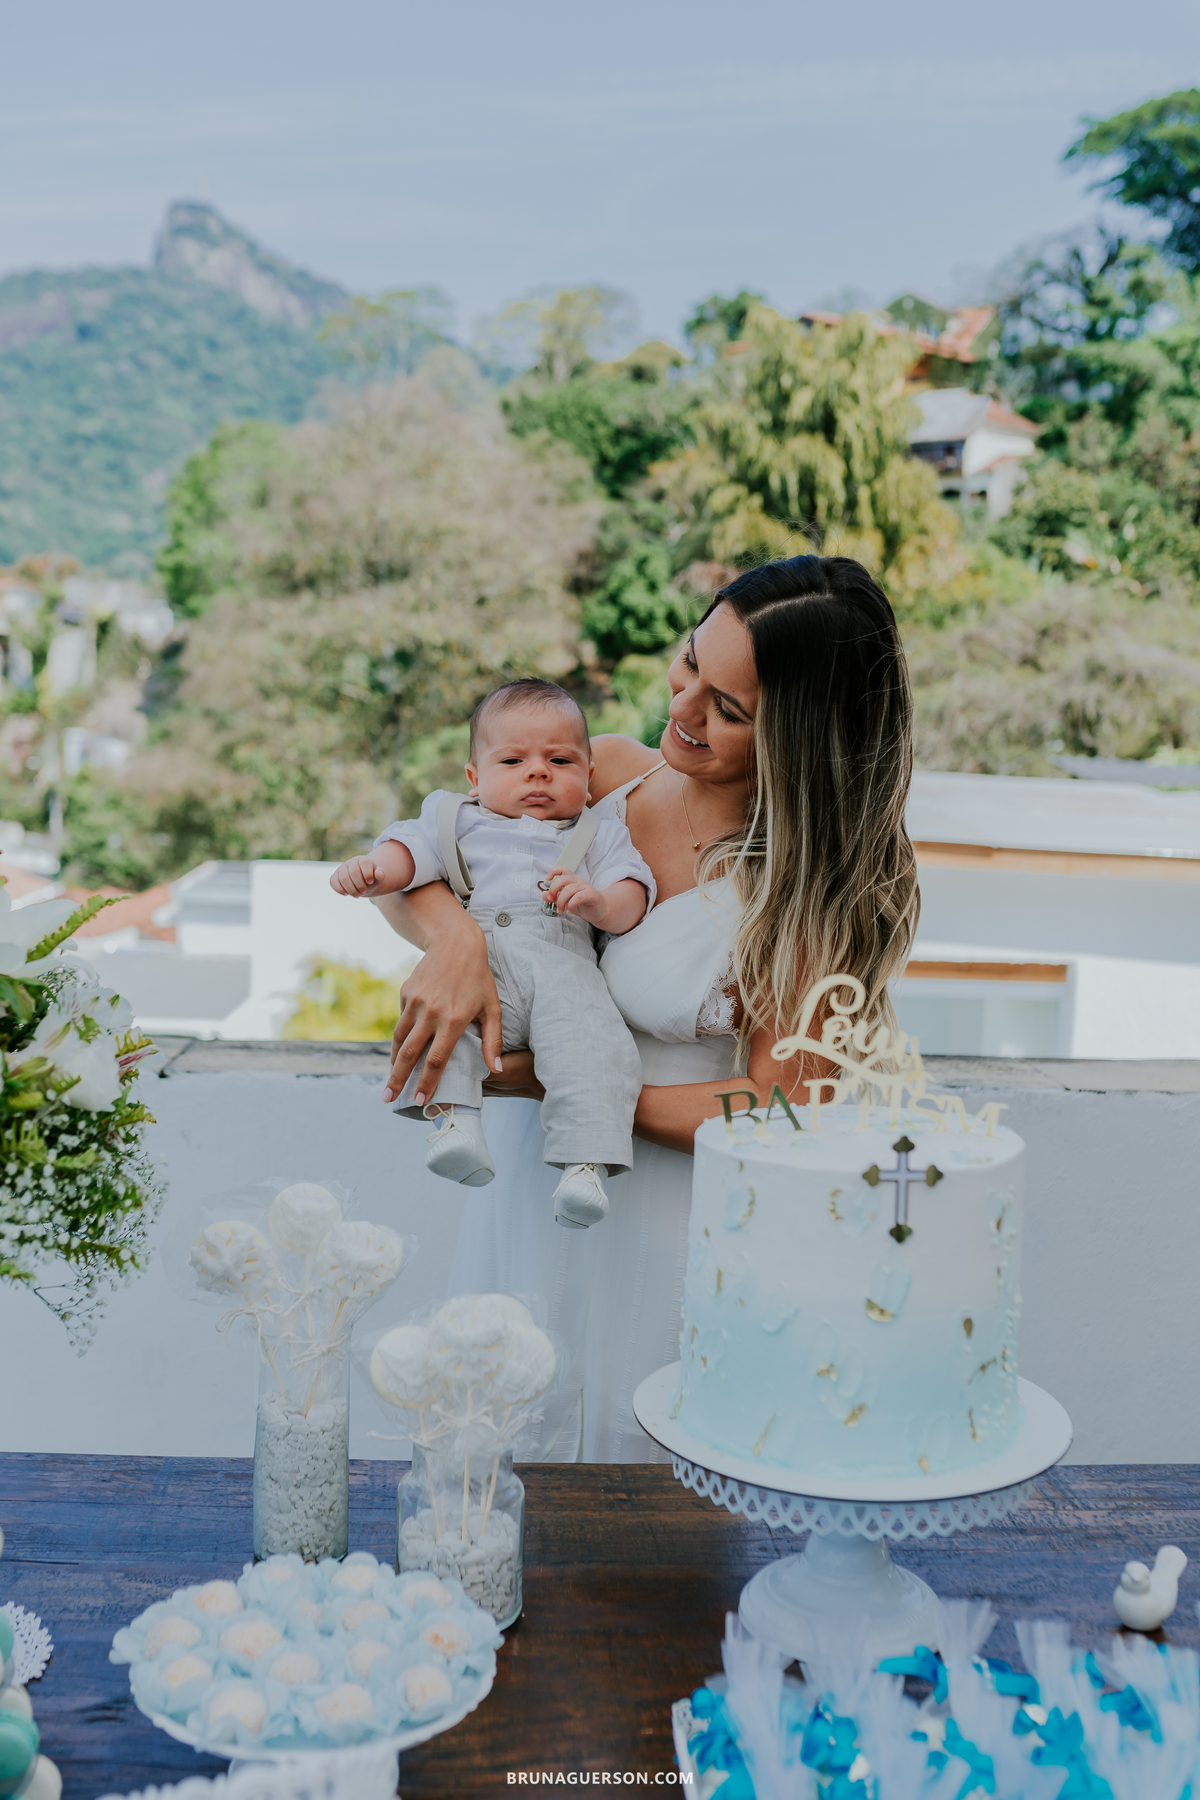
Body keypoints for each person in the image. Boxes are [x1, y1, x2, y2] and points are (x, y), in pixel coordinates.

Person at [372, 555, 920, 1460]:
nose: (684, 708)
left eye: (729, 710)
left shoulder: (802, 896)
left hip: (667, 1223)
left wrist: (561, 1087)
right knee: (495, 1466)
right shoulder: (607, 779)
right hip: (529, 1184)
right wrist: (459, 944)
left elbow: (781, 1106)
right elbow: (418, 861)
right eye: (689, 661)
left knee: (639, 1506)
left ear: (803, 739)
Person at [329, 677, 654, 1229]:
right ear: (475, 778)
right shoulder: (456, 818)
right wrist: (378, 868)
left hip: (563, 966)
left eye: (560, 760)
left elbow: (634, 891)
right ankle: (456, 1125)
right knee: (450, 1024)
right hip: (480, 958)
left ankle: (584, 1166)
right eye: (513, 760)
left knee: (594, 1049)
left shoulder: (598, 833)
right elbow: (410, 849)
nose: (538, 771)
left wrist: (599, 903)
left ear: (589, 776)